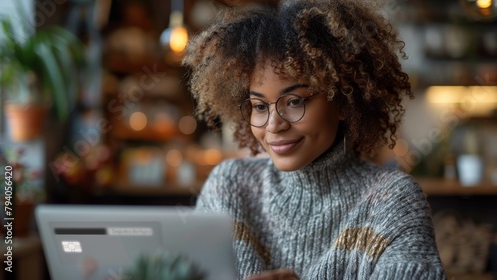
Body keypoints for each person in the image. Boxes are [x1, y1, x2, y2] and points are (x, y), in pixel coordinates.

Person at [183, 0, 446, 279]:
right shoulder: (229, 189)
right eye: (260, 107)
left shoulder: (391, 202)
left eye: (295, 101)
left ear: (343, 102)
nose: (274, 125)